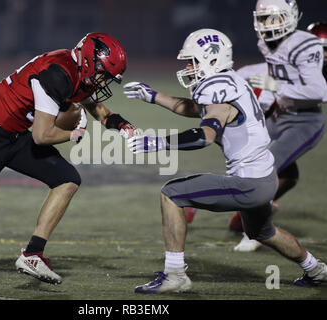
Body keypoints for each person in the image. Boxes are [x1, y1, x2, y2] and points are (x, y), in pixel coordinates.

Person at [0, 32, 138, 284]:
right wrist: (75, 133)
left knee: (67, 179)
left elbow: (98, 109)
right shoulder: (56, 73)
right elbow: (42, 136)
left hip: (15, 135)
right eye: (104, 74)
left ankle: (32, 254)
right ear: (90, 62)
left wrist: (124, 126)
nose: (103, 82)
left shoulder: (77, 69)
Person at [123, 28, 327, 293]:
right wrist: (153, 96)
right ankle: (317, 269)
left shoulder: (218, 88)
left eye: (193, 61)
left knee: (171, 193)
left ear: (212, 60)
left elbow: (204, 136)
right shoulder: (229, 79)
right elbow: (195, 109)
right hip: (265, 177)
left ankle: (175, 275)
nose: (188, 67)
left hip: (248, 182)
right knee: (264, 232)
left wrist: (159, 142)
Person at [230, 0, 327, 252]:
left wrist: (276, 88)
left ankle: (257, 230)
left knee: (263, 166)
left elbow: (319, 91)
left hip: (305, 120)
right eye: (263, 18)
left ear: (290, 16)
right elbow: (273, 73)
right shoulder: (267, 42)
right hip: (279, 114)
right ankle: (260, 203)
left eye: (273, 18)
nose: (267, 24)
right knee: (240, 147)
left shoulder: (304, 44)